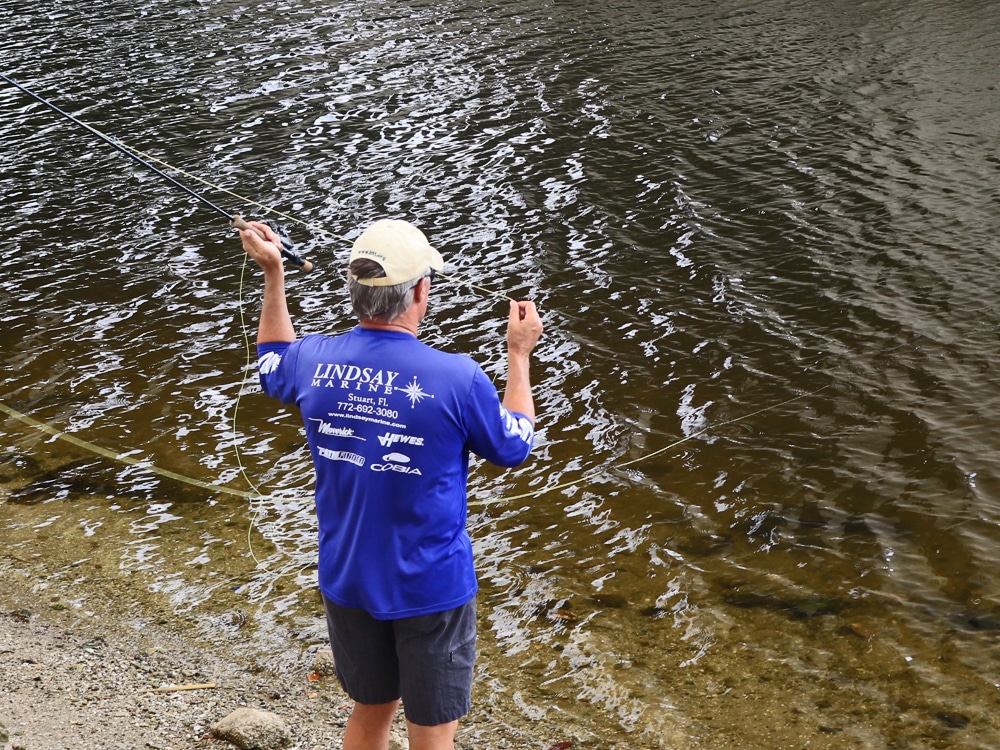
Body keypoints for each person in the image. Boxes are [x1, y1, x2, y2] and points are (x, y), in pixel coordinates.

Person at [239, 218, 543, 750]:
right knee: (431, 729)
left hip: (347, 576)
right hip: (430, 587)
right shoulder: (458, 376)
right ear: (420, 291)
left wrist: (273, 273)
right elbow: (514, 444)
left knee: (371, 706)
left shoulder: (314, 360)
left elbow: (271, 362)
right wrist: (519, 355)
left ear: (356, 292)